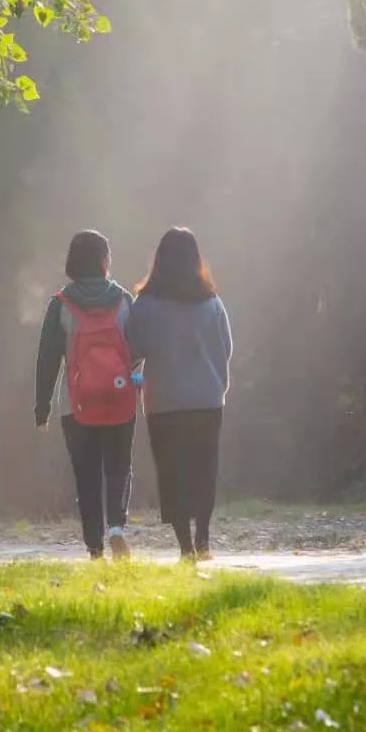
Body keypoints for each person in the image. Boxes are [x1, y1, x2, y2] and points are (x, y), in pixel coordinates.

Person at [126, 227, 232, 560]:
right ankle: (204, 539)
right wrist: (218, 382)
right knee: (204, 469)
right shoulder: (212, 303)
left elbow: (133, 350)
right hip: (207, 399)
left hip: (163, 402)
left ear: (159, 260)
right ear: (196, 259)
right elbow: (225, 348)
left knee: (172, 473)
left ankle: (185, 546)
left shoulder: (144, 305)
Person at [35, 229, 136, 560]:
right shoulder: (123, 300)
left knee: (86, 474)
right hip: (119, 398)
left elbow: (47, 359)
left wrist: (42, 407)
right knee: (118, 466)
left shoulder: (60, 304)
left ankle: (94, 547)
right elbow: (137, 348)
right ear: (105, 260)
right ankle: (116, 528)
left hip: (75, 404)